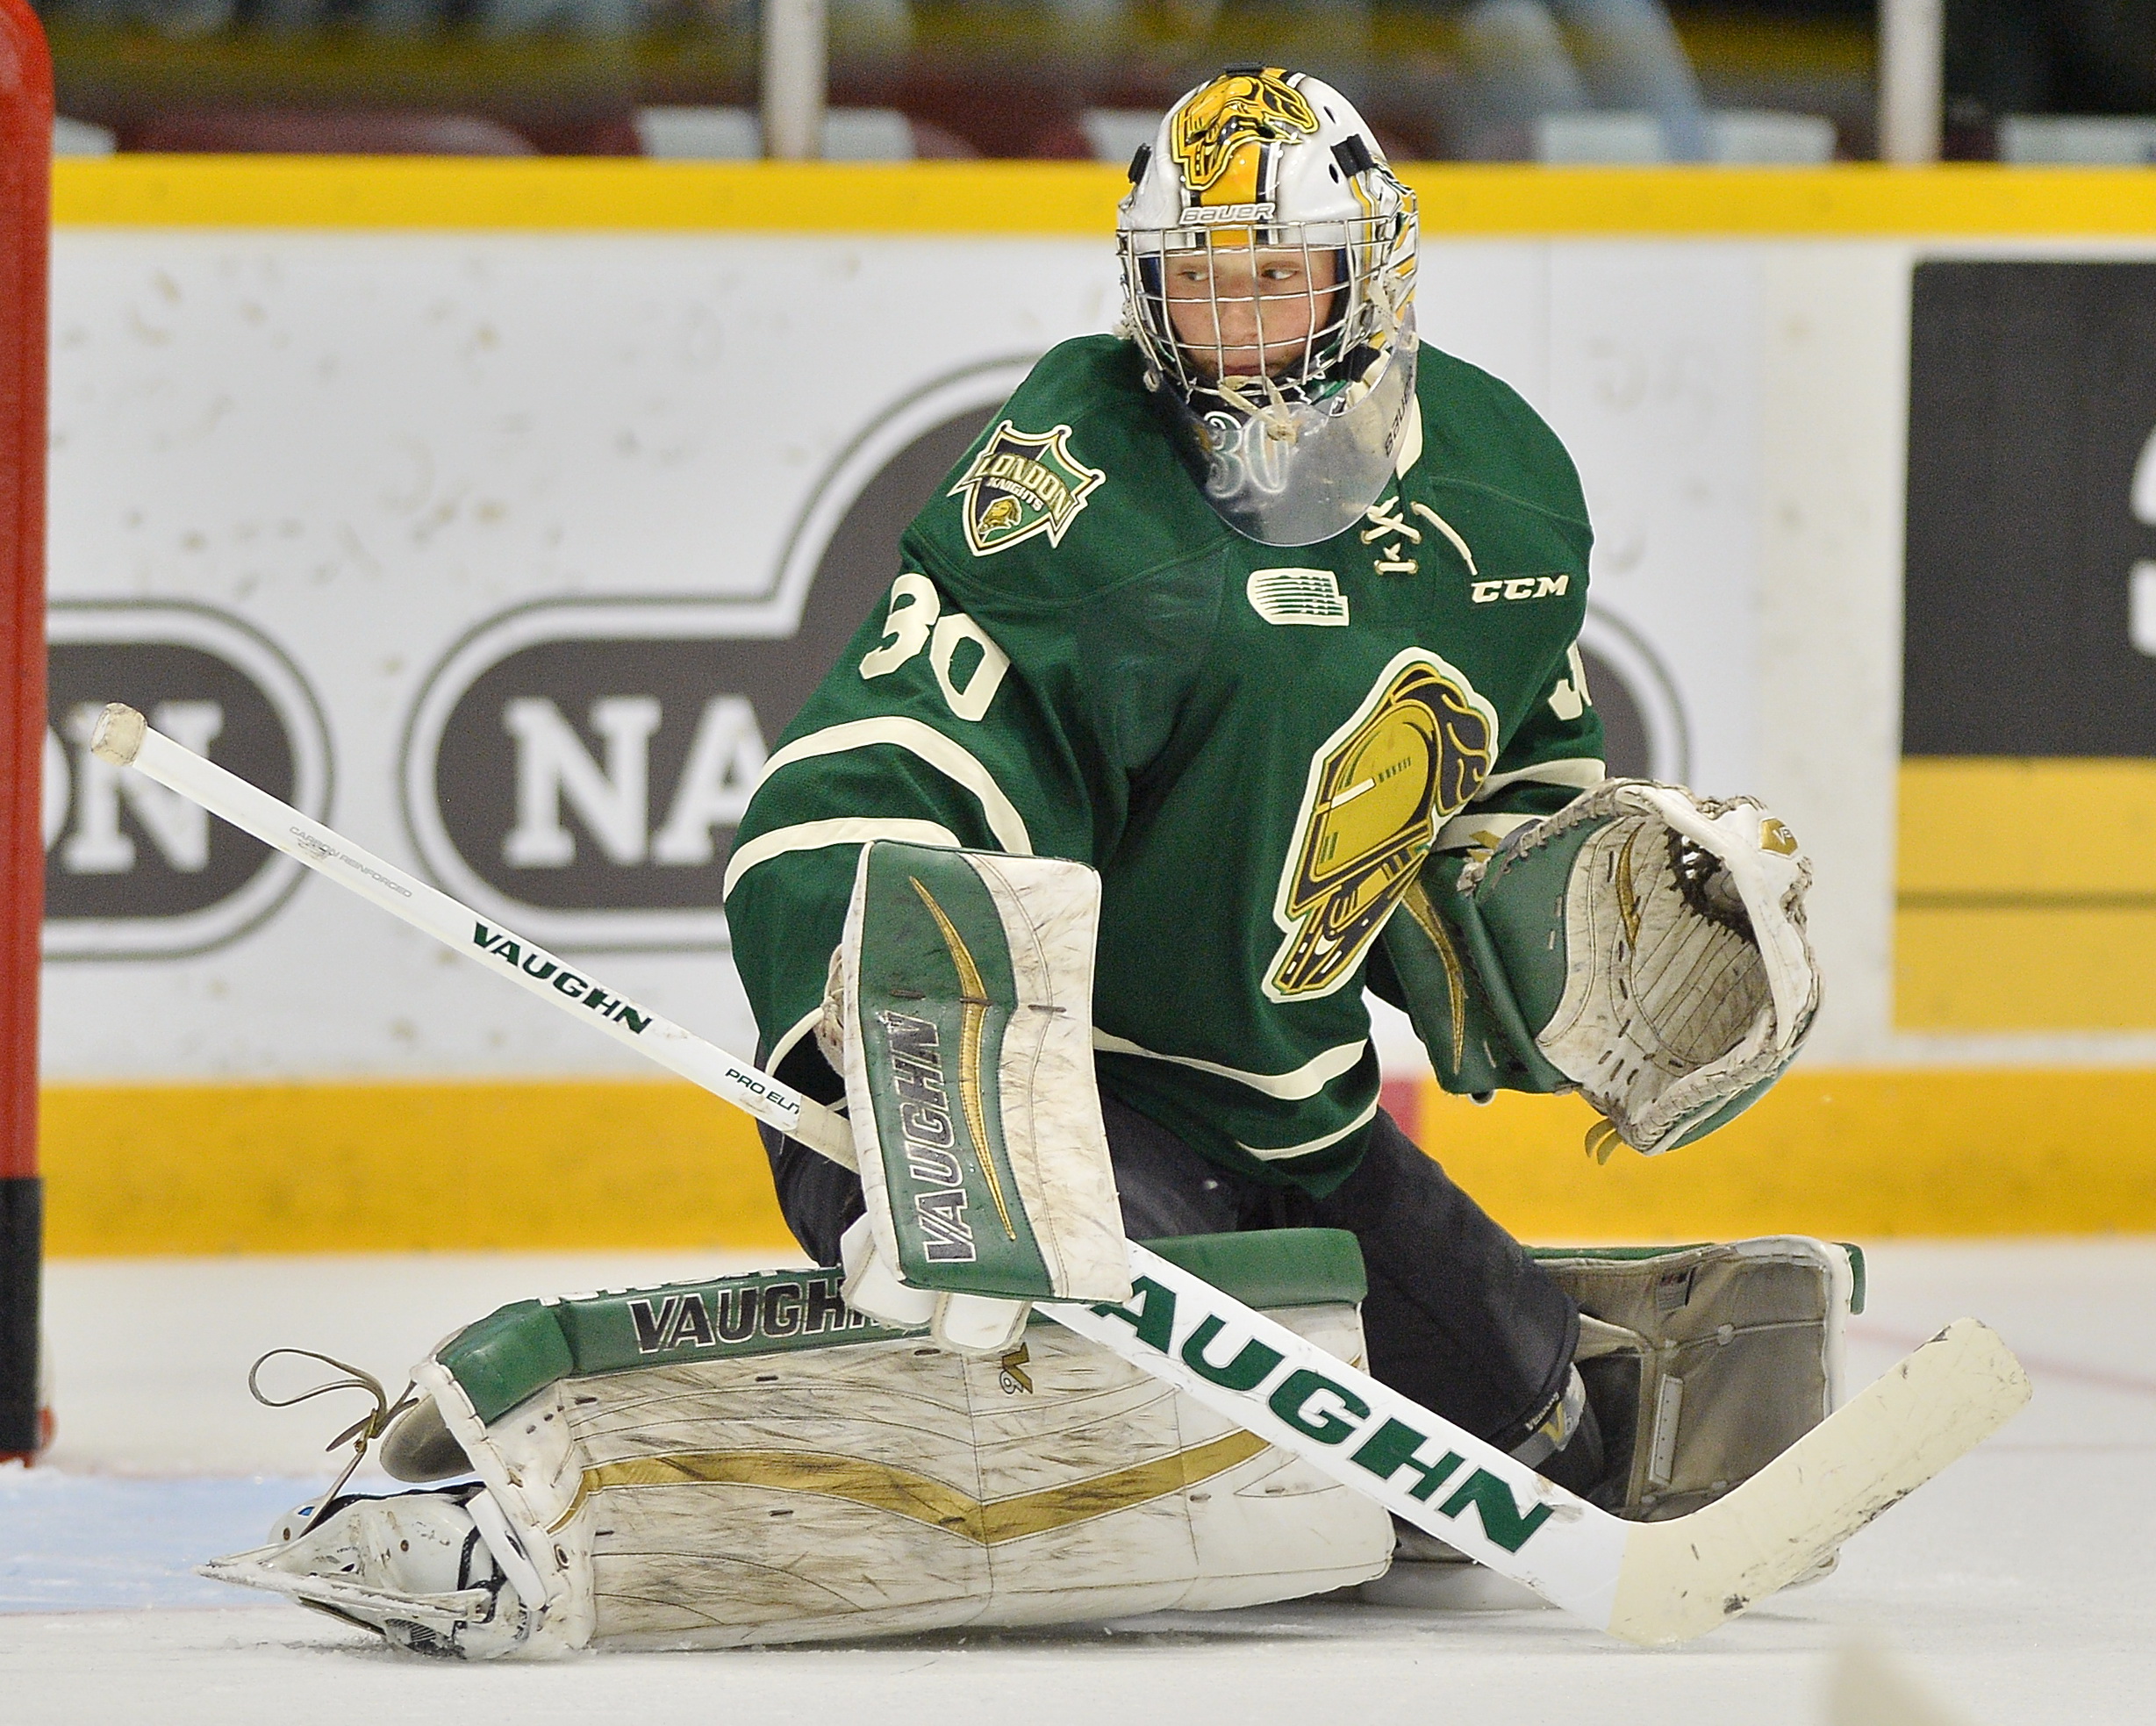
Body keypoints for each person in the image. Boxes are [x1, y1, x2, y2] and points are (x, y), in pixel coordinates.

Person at [724, 63, 1753, 1494]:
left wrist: (1577, 935)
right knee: (1133, 1411)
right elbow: (862, 785)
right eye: (1199, 285)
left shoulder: (1502, 491)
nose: (1239, 333)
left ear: (1373, 275)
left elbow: (1505, 797)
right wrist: (918, 1112)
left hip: (1289, 1101)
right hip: (1027, 1097)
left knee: (1537, 1449)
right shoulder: (1083, 481)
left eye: (1281, 278)